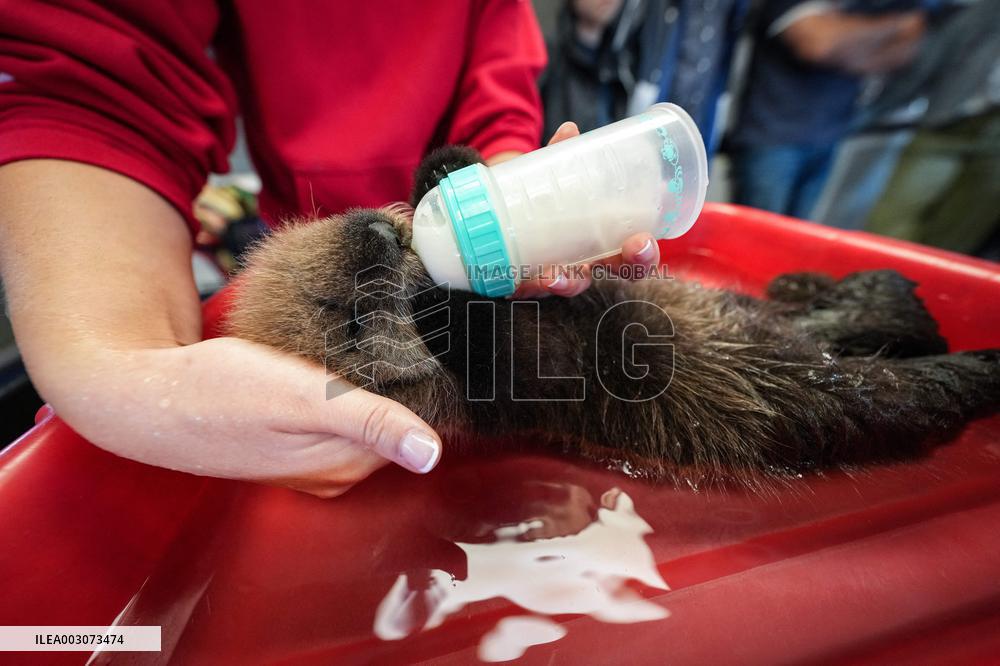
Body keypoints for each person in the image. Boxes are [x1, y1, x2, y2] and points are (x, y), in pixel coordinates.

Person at [0, 1, 663, 498]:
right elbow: (94, 72)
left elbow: (498, 60)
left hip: (477, 248)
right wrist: (122, 369)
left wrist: (521, 195)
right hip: (314, 287)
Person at [728, 0, 926, 220]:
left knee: (799, 239)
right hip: (771, 136)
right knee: (757, 237)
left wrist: (844, 43)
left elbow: (908, 49)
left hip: (830, 133)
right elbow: (818, 44)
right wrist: (894, 26)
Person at [862, 0, 1000, 255]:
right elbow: (937, 54)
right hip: (949, 116)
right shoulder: (986, 10)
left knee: (959, 231)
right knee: (892, 218)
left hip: (995, 138)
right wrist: (875, 111)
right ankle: (875, 271)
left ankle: (931, 286)